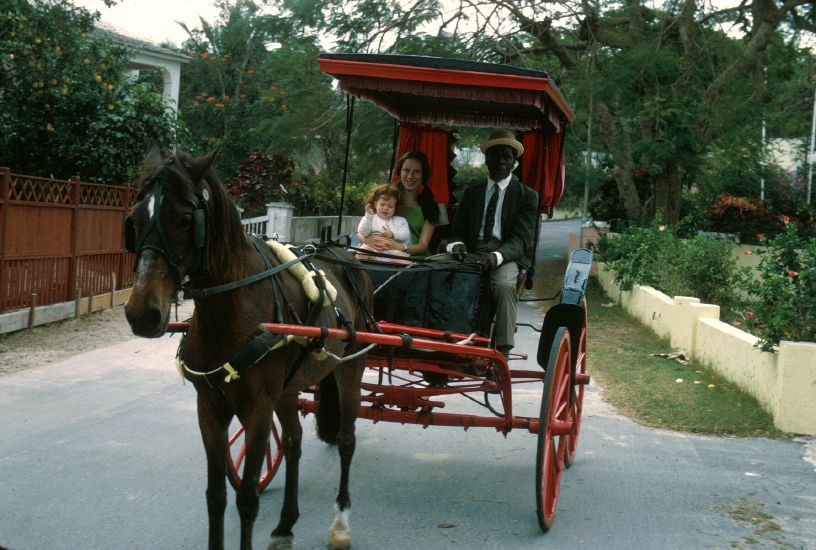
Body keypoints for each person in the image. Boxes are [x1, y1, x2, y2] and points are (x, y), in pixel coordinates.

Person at [446, 130, 539, 358]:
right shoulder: (472, 194)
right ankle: (437, 337)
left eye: (506, 156)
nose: (500, 161)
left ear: (514, 162)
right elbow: (456, 232)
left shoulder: (527, 196)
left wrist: (496, 256)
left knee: (505, 287)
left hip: (505, 256)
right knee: (431, 269)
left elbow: (521, 240)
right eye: (495, 155)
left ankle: (502, 351)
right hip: (471, 253)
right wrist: (455, 245)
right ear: (486, 159)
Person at [358, 150, 440, 257]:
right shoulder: (385, 198)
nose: (410, 176)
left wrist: (398, 246)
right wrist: (367, 240)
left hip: (410, 258)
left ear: (423, 175)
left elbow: (423, 245)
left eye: (416, 172)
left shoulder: (430, 206)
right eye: (406, 170)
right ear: (400, 172)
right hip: (375, 250)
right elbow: (360, 231)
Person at [356, 184, 411, 263]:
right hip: (372, 250)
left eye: (390, 206)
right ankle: (360, 273)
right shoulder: (370, 217)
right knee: (361, 252)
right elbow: (362, 232)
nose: (385, 208)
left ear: (395, 208)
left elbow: (405, 234)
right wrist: (368, 216)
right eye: (382, 204)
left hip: (392, 252)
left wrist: (393, 234)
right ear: (375, 204)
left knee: (406, 261)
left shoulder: (400, 221)